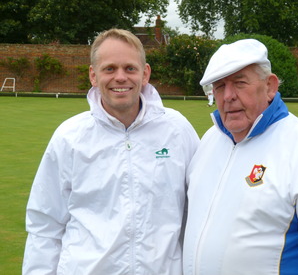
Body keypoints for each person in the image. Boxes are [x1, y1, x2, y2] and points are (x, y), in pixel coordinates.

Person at [182, 39, 298, 275]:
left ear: (270, 86)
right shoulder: (210, 140)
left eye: (239, 83)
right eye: (219, 86)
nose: (228, 96)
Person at [23, 28, 199, 275]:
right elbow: (45, 225)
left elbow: (199, 214)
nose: (120, 77)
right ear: (93, 75)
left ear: (145, 73)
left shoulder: (177, 130)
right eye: (109, 69)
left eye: (129, 68)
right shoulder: (69, 136)